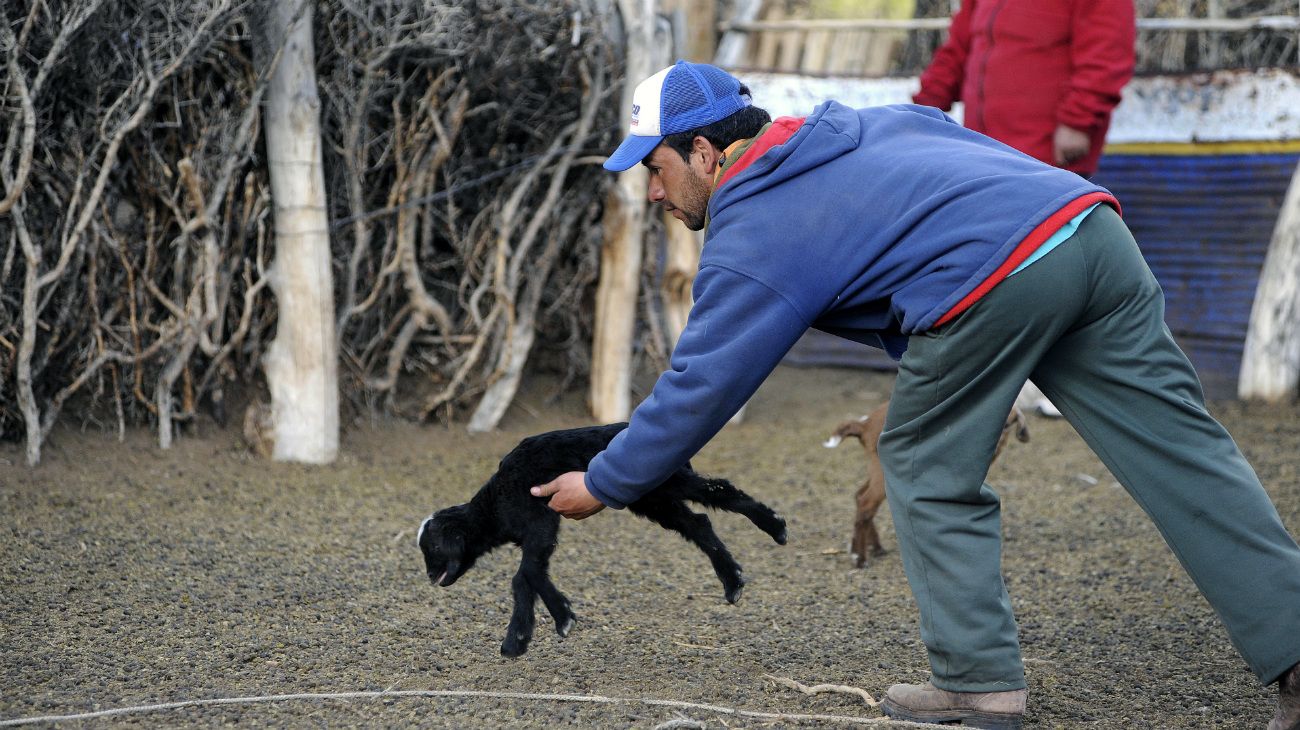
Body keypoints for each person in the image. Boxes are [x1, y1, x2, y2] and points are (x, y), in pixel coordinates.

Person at [531, 60, 1300, 729]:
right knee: (1183, 451)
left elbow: (699, 387)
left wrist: (606, 480)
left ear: (704, 151)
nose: (655, 192)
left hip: (1001, 278)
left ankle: (977, 682)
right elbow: (947, 133)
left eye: (656, 169)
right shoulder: (859, 126)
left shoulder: (758, 224)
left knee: (924, 459)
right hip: (1089, 231)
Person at [912, 0, 1136, 178]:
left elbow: (1107, 51)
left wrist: (1077, 122)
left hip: (1046, 162)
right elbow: (958, 49)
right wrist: (921, 112)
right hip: (982, 153)